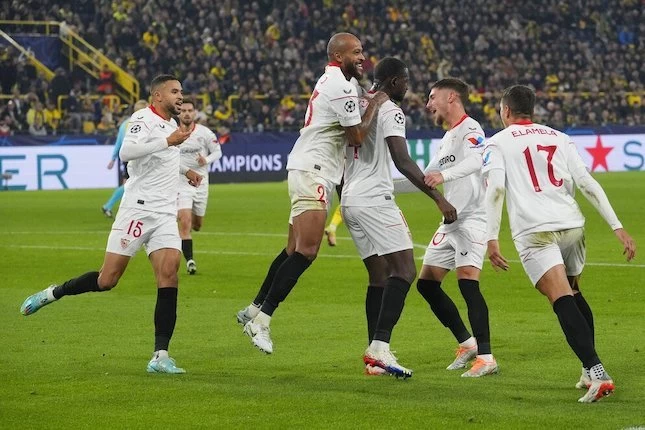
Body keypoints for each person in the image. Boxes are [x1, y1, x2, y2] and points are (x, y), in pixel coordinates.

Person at [20, 74, 202, 374]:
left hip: (164, 214)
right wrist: (167, 141)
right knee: (107, 280)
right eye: (174, 91)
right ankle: (54, 292)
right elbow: (126, 152)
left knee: (170, 274)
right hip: (137, 211)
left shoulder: (170, 125)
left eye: (181, 91)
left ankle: (160, 355)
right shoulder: (141, 119)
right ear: (157, 96)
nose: (180, 96)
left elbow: (165, 157)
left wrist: (186, 171)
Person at [236, 32, 390, 354]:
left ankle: (253, 308)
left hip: (309, 169)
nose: (362, 57)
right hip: (313, 171)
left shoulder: (337, 81)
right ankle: (261, 321)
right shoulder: (340, 85)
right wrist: (376, 102)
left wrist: (368, 97)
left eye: (362, 51)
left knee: (292, 249)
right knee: (307, 251)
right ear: (338, 56)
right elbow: (357, 136)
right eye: (356, 52)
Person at [482, 84, 636, 402]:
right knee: (574, 292)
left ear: (506, 110)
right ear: (532, 110)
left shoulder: (497, 142)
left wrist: (491, 237)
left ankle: (597, 373)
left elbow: (495, 189)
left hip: (535, 230)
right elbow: (586, 182)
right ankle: (588, 369)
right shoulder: (559, 137)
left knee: (561, 298)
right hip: (572, 225)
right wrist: (617, 227)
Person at [342, 57, 457, 378]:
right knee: (405, 270)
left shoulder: (356, 104)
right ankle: (379, 347)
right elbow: (402, 160)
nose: (408, 87)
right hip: (375, 199)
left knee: (379, 277)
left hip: (350, 199)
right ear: (393, 81)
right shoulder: (389, 109)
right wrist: (438, 198)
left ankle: (374, 357)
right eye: (405, 81)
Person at [413, 78, 498, 377]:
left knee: (467, 283)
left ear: (451, 98)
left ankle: (487, 358)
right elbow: (424, 177)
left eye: (432, 97)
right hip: (451, 222)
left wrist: (444, 176)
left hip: (473, 219)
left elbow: (476, 161)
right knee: (426, 284)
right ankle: (467, 343)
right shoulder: (448, 138)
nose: (428, 104)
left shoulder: (471, 129)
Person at [176, 98, 222, 274]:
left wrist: (206, 160)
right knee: (185, 222)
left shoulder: (204, 133)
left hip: (201, 184)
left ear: (194, 113)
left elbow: (218, 152)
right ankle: (190, 261)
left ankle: (189, 232)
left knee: (197, 225)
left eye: (190, 110)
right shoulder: (173, 133)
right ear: (179, 113)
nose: (187, 113)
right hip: (181, 183)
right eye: (183, 110)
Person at [102, 99, 148, 218]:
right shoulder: (140, 124)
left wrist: (113, 159)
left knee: (129, 186)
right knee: (130, 185)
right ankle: (109, 206)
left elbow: (118, 143)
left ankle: (127, 210)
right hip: (135, 158)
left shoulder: (125, 124)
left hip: (128, 158)